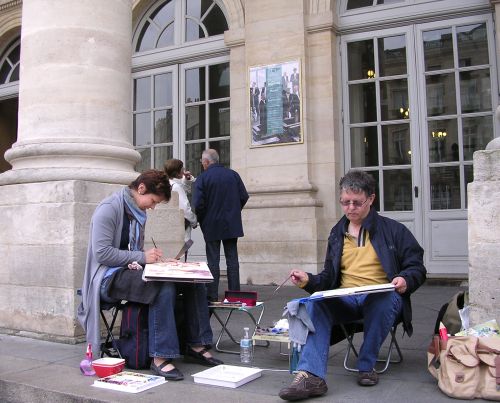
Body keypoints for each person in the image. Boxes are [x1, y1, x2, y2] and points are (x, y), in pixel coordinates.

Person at [279, 170, 426, 401]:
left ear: (371, 199)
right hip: (347, 299)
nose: (350, 208)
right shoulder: (337, 233)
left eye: (356, 202)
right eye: (345, 202)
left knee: (384, 297)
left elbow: (416, 266)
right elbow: (329, 278)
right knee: (317, 303)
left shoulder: (393, 230)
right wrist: (308, 280)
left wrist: (406, 279)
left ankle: (366, 365)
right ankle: (311, 376)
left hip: (381, 298)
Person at [77, 170, 222, 382]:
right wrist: (143, 257)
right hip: (105, 278)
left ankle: (196, 344)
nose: (152, 207)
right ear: (141, 188)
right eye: (153, 201)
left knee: (193, 280)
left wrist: (161, 262)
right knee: (162, 286)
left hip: (129, 270)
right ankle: (160, 356)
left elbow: (136, 257)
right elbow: (102, 254)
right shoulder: (108, 209)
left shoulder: (137, 211)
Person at [193, 149, 249, 302]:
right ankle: (235, 294)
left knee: (213, 260)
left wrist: (202, 218)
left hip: (211, 224)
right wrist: (234, 212)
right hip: (231, 223)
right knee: (232, 259)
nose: (202, 164)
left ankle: (212, 294)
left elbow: (198, 204)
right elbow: (244, 196)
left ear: (206, 162)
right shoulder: (233, 175)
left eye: (202, 162)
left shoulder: (202, 178)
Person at [164, 159, 197, 243]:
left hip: (167, 226)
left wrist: (187, 179)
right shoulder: (175, 187)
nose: (184, 171)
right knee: (179, 252)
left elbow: (184, 187)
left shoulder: (165, 184)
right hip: (179, 228)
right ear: (177, 172)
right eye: (182, 168)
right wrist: (194, 221)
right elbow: (185, 209)